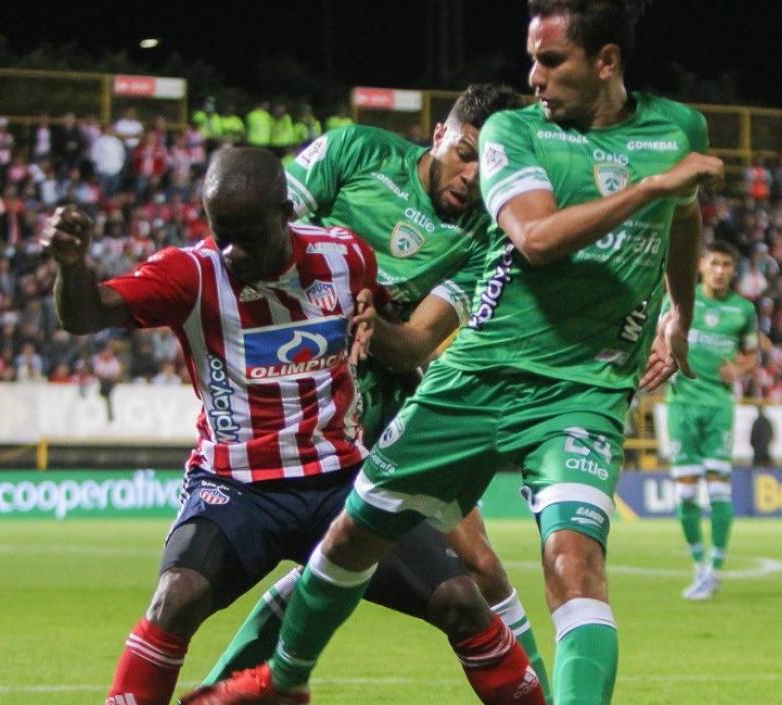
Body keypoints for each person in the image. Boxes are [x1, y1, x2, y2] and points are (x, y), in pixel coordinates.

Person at [195, 1, 725, 702]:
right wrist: (653, 185)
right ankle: (282, 681)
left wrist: (679, 314)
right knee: (357, 537)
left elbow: (683, 219)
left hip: (584, 390)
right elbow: (536, 239)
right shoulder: (512, 132)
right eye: (531, 58)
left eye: (550, 60)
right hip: (474, 378)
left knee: (572, 563)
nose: (532, 76)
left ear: (606, 61)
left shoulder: (679, 129)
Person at [43, 149, 540, 705]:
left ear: (286, 214)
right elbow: (86, 314)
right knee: (175, 599)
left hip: (341, 486)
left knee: (461, 600)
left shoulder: (347, 257)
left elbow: (389, 340)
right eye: (221, 232)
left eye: (248, 235)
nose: (233, 251)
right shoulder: (193, 273)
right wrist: (71, 268)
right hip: (237, 489)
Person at [194, 84, 551, 699]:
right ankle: (225, 688)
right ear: (440, 132)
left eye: (486, 165)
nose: (470, 176)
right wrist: (331, 296)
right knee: (339, 560)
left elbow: (414, 344)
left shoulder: (486, 236)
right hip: (306, 399)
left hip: (389, 401)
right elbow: (256, 238)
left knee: (478, 565)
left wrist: (373, 326)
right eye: (464, 152)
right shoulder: (356, 152)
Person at [662, 240, 759, 600]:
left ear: (733, 271)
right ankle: (699, 566)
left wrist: (739, 367)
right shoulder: (679, 301)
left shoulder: (743, 310)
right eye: (714, 263)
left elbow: (752, 355)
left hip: (718, 406)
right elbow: (657, 340)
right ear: (702, 265)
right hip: (681, 405)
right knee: (686, 491)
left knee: (718, 487)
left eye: (727, 265)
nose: (720, 270)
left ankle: (716, 569)